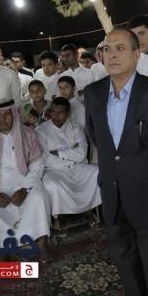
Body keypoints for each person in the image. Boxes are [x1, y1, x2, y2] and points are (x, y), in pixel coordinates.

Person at [84, 27, 148, 296]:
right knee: (126, 266)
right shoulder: (92, 94)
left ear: (136, 55)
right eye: (107, 49)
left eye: (120, 49)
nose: (112, 55)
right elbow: (97, 138)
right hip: (113, 196)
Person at [0, 99, 51, 260]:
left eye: (7, 114)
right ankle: (1, 247)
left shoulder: (28, 135)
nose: (2, 119)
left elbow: (37, 165)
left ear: (14, 114)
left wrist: (24, 189)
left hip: (24, 183)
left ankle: (41, 245)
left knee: (39, 197)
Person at [36, 97, 101, 229]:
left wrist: (58, 153)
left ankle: (89, 212)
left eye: (60, 112)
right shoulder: (41, 130)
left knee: (96, 172)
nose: (55, 116)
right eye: (53, 111)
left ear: (67, 113)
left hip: (77, 167)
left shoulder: (75, 128)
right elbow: (45, 158)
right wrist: (70, 151)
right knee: (51, 184)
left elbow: (82, 153)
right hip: (54, 169)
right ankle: (60, 217)